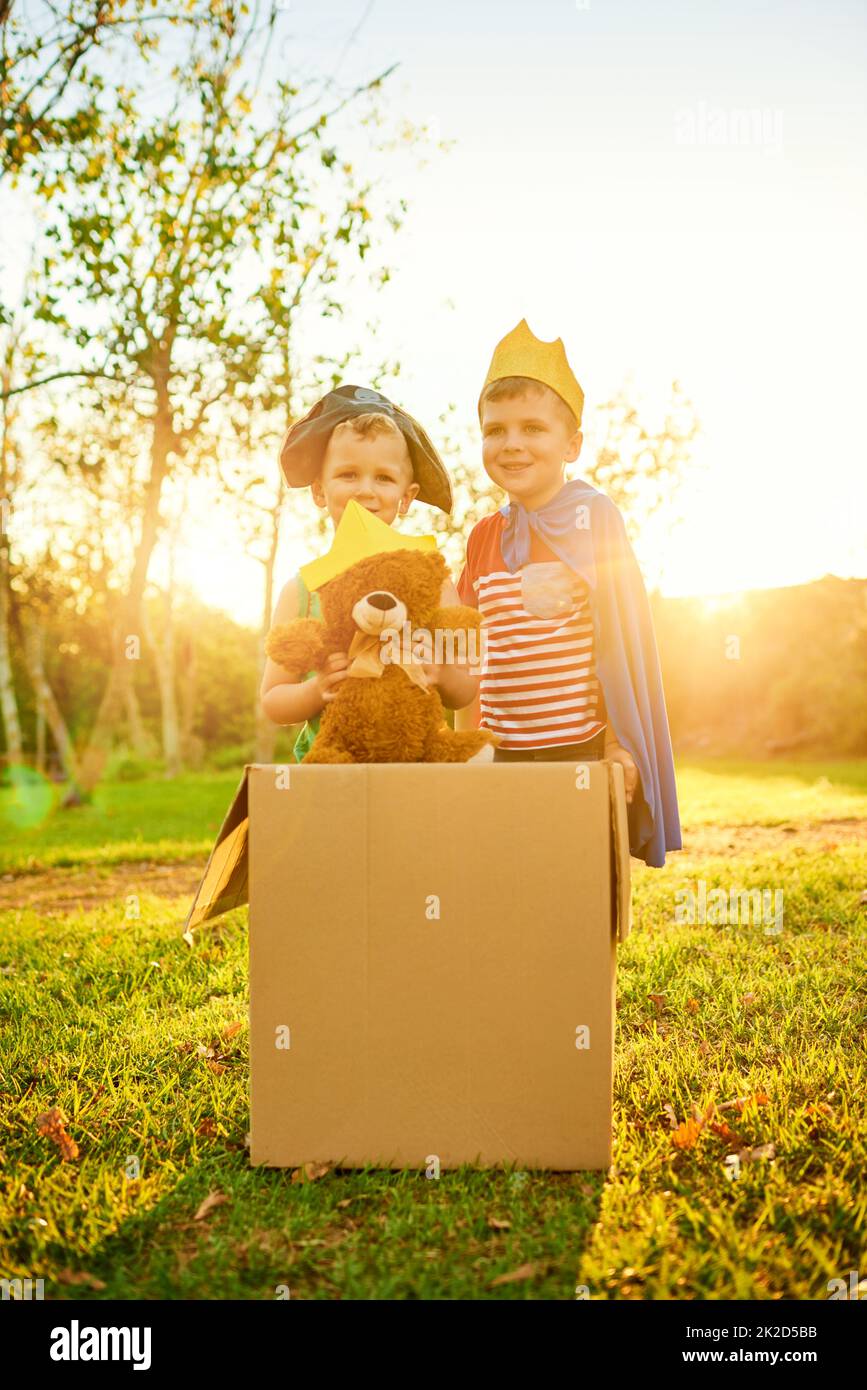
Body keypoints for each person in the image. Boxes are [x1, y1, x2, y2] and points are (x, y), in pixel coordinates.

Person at [455, 320, 681, 867]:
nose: (512, 444)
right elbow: (468, 653)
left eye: (533, 428)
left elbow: (619, 642)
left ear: (571, 443)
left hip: (578, 746)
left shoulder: (593, 518)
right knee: (505, 876)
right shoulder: (484, 535)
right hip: (500, 752)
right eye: (495, 430)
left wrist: (614, 743)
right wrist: (466, 747)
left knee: (574, 876)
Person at [260, 384, 478, 757]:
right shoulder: (301, 590)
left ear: (406, 497)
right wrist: (314, 691)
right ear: (318, 491)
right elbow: (273, 700)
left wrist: (440, 671)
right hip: (331, 771)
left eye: (383, 478)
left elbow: (466, 691)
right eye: (348, 475)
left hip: (415, 770)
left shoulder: (432, 582)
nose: (365, 490)